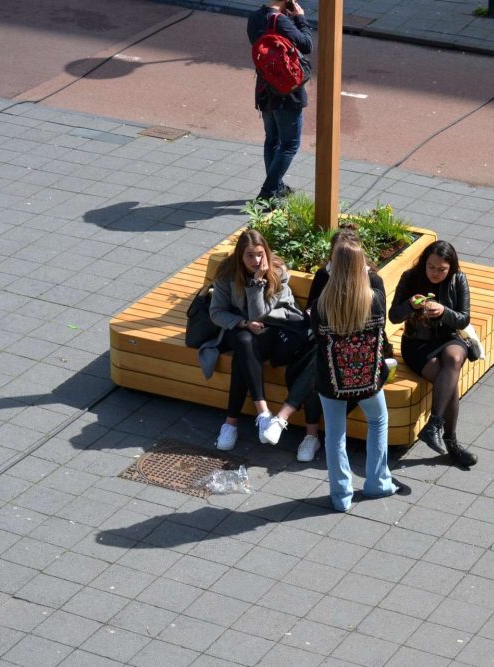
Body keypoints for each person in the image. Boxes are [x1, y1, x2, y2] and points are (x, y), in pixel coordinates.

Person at [259, 225, 373, 462]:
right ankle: (307, 435)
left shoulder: (371, 280)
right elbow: (311, 309)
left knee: (321, 363)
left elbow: (374, 322)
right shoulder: (324, 275)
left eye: (342, 258)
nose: (336, 262)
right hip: (322, 341)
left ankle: (285, 419)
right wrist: (317, 314)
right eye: (335, 256)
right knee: (319, 361)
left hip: (356, 351)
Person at [312, 240, 410, 512]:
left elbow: (317, 339)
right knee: (378, 421)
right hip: (368, 380)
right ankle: (378, 481)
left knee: (335, 435)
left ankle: (341, 495)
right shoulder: (375, 299)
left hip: (331, 380)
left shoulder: (322, 305)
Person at [209, 229, 307, 450]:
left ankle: (231, 423)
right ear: (239, 256)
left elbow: (259, 315)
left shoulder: (277, 271)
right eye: (249, 255)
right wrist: (243, 323)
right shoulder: (227, 273)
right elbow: (216, 313)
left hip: (274, 327)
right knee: (244, 340)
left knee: (243, 351)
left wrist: (257, 283)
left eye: (260, 254)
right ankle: (263, 413)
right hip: (241, 328)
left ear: (266, 252)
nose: (256, 261)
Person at [389, 240, 478, 469]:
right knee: (449, 382)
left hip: (448, 337)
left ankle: (434, 424)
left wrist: (444, 311)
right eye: (431, 267)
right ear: (424, 262)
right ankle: (452, 443)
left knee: (455, 358)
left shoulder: (458, 279)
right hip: (417, 344)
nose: (435, 273)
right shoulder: (411, 277)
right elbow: (394, 316)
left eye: (442, 269)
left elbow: (463, 318)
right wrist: (410, 304)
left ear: (451, 268)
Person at [247, 0, 313, 201]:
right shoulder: (281, 21)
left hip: (265, 88)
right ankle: (269, 191)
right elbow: (307, 44)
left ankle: (277, 186)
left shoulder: (254, 18)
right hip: (287, 91)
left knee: (272, 140)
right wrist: (300, 19)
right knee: (290, 144)